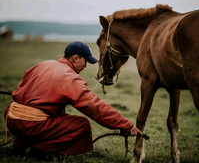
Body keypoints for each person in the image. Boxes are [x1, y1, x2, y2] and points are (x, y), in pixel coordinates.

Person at [4, 41, 142, 159]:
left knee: (47, 114)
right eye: (85, 61)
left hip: (11, 118)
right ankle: (41, 151)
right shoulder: (70, 77)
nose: (86, 66)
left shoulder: (44, 64)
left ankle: (18, 147)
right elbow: (95, 107)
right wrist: (125, 125)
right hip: (30, 125)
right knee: (81, 125)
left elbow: (22, 89)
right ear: (76, 58)